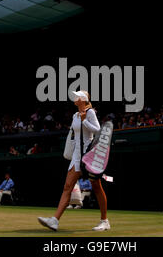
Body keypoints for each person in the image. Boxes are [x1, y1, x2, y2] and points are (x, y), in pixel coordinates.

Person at [38, 90, 109, 231]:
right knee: (67, 187)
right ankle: (54, 221)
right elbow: (73, 135)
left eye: (77, 96)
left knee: (97, 187)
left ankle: (104, 221)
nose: (74, 98)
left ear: (82, 100)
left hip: (88, 155)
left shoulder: (90, 113)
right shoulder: (75, 115)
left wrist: (85, 121)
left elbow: (98, 130)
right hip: (76, 155)